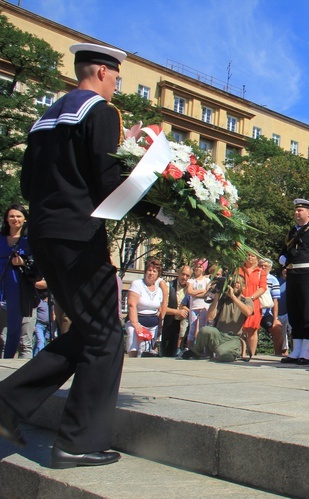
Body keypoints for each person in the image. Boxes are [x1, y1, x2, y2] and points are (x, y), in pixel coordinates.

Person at [0, 43, 127, 468]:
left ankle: (7, 404)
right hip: (79, 237)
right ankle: (77, 441)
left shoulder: (43, 119)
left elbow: (28, 181)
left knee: (89, 331)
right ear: (103, 72)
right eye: (117, 78)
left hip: (44, 235)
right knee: (108, 335)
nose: (117, 87)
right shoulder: (101, 112)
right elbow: (108, 178)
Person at [279, 199, 309, 365]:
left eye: (300, 210)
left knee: (306, 314)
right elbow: (286, 249)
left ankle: (306, 352)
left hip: (308, 274)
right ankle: (296, 350)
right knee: (294, 313)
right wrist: (282, 257)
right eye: (296, 210)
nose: (297, 213)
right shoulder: (293, 231)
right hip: (293, 274)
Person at [0, 204, 42, 359]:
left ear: (25, 219)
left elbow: (37, 266)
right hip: (1, 282)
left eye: (18, 216)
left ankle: (8, 360)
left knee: (14, 327)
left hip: (16, 285)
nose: (15, 219)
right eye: (11, 216)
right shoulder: (1, 238)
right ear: (6, 219)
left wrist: (23, 263)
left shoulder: (29, 241)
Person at [182, 275, 253, 362]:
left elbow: (248, 312)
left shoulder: (247, 301)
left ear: (244, 286)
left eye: (238, 283)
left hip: (233, 338)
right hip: (219, 335)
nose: (235, 285)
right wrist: (216, 298)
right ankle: (196, 351)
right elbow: (210, 317)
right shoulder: (223, 300)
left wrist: (233, 297)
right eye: (233, 283)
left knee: (222, 354)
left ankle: (234, 352)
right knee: (206, 330)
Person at [124, 259, 165, 357]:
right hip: (136, 324)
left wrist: (159, 327)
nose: (151, 273)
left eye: (154, 271)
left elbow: (159, 309)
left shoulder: (159, 290)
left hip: (152, 326)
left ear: (158, 275)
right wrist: (136, 325)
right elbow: (131, 305)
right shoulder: (137, 284)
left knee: (147, 353)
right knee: (134, 350)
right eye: (149, 270)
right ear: (145, 272)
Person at [238, 253, 267, 358]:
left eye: (253, 256)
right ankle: (242, 353)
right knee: (241, 329)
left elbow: (263, 287)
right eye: (248, 255)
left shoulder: (260, 272)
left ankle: (252, 354)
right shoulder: (239, 269)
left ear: (257, 259)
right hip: (240, 301)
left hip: (253, 302)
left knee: (252, 329)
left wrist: (251, 298)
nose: (249, 257)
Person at [162, 265, 191, 357]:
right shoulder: (168, 286)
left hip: (185, 326)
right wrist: (178, 312)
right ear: (178, 274)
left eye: (187, 275)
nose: (184, 277)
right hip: (170, 324)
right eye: (183, 274)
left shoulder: (191, 288)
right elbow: (162, 308)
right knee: (167, 354)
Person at [259, 258, 284, 355]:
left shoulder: (273, 280)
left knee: (277, 329)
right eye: (261, 265)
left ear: (270, 268)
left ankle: (277, 354)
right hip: (253, 310)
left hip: (266, 312)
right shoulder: (253, 277)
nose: (263, 267)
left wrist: (275, 318)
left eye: (266, 266)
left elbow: (275, 300)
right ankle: (247, 353)